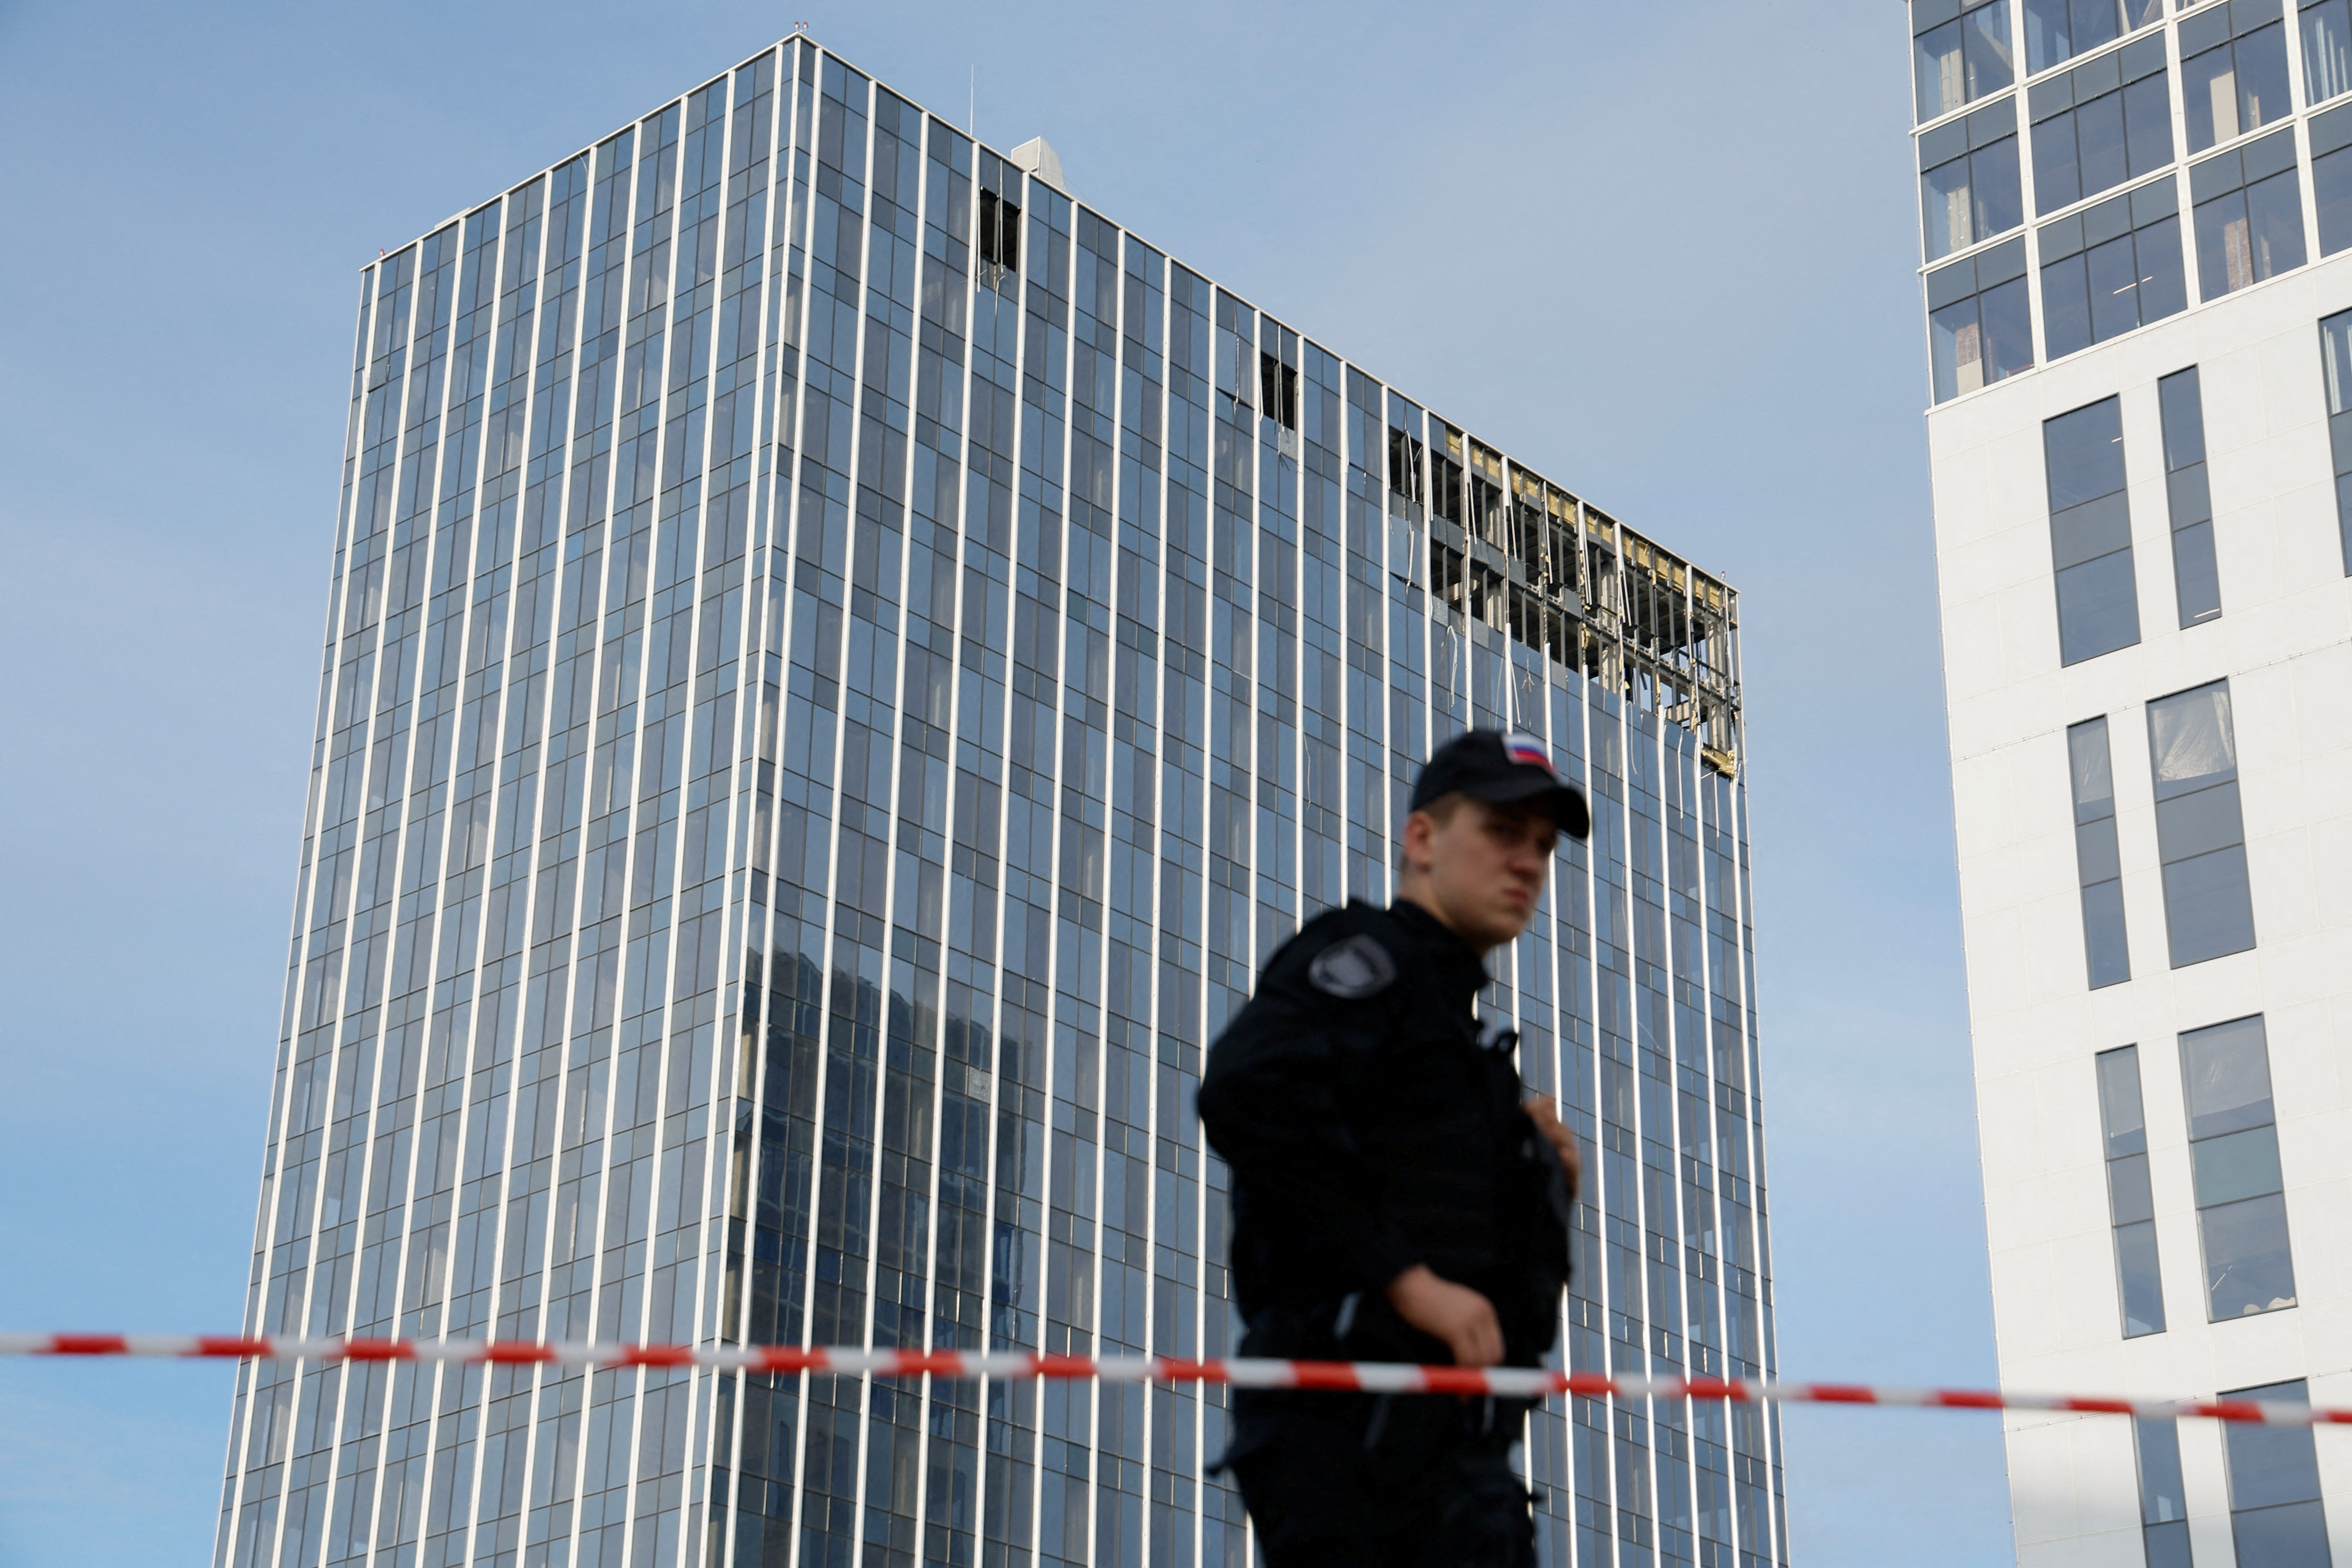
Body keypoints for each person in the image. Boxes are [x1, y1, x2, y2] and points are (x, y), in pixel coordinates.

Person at [1197, 728, 1589, 1567]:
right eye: (1501, 831)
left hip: (1459, 1459)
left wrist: (1543, 1184)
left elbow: (1497, 1300)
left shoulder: (1467, 1050)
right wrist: (1408, 1283)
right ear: (1422, 838)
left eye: (1542, 845)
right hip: (1353, 1433)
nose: (1527, 863)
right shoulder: (1369, 958)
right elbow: (1247, 1090)